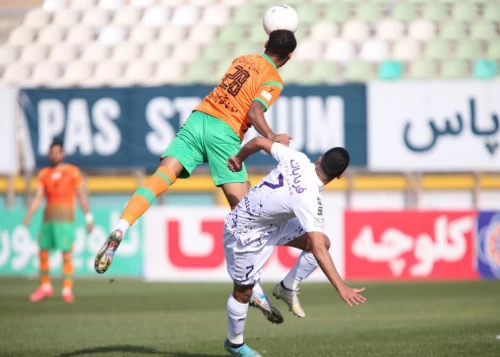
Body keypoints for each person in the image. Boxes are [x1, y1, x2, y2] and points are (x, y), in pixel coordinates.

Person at [94, 30, 299, 323]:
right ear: (289, 57)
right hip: (224, 132)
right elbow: (253, 110)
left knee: (161, 178)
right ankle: (252, 288)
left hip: (198, 118)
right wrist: (272, 137)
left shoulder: (242, 58)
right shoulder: (274, 79)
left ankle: (121, 227)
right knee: (247, 215)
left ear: (265, 43)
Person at [222, 137, 366, 356]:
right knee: (243, 292)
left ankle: (287, 287)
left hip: (271, 224)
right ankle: (235, 344)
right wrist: (341, 287)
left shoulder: (296, 158)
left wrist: (239, 158)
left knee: (322, 242)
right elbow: (318, 250)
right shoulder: (310, 199)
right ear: (340, 175)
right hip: (243, 232)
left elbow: (260, 141)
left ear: (319, 160)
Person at [24, 140, 93, 303]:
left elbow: (82, 196)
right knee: (43, 251)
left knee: (66, 253)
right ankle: (45, 286)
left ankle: (67, 289)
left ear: (63, 154)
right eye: (51, 152)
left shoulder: (73, 172)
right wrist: (29, 214)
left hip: (66, 219)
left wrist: (89, 217)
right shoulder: (44, 174)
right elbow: (38, 197)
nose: (54, 155)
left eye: (57, 152)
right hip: (48, 220)